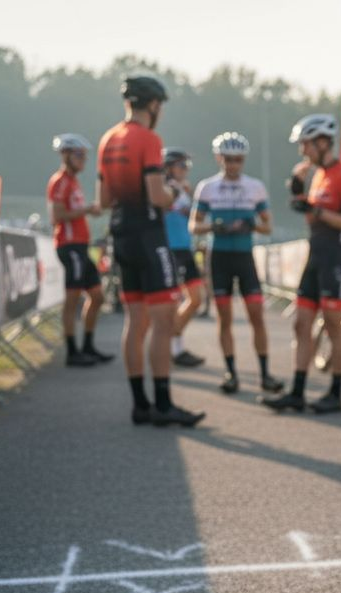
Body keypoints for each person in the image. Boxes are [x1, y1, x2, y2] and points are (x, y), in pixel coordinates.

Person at [97, 75, 205, 427]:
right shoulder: (148, 139)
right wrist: (175, 196)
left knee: (134, 320)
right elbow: (158, 196)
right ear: (154, 105)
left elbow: (103, 201)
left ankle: (140, 404)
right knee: (161, 321)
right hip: (148, 234)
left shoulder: (108, 139)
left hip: (120, 233)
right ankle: (163, 404)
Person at [261, 114, 341, 414]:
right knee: (301, 323)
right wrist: (298, 192)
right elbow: (311, 212)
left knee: (333, 325)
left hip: (336, 257)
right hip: (315, 256)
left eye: (305, 144)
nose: (302, 151)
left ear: (321, 142)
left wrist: (317, 211)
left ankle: (335, 392)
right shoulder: (317, 175)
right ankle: (298, 391)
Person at [189, 132, 284, 395]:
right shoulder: (207, 188)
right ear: (220, 158)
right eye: (229, 159)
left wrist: (252, 223)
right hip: (218, 258)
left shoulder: (255, 187)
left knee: (257, 317)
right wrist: (214, 226)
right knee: (224, 318)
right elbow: (194, 225)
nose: (233, 165)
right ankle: (231, 372)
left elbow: (268, 227)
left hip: (245, 258)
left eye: (238, 160)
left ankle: (265, 374)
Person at [46, 133, 113, 367]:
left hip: (82, 247)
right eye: (78, 155)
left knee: (97, 296)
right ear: (65, 155)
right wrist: (85, 211)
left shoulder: (74, 182)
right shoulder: (60, 181)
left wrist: (89, 210)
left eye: (85, 155)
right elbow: (57, 216)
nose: (83, 159)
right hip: (69, 245)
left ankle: (88, 345)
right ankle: (72, 351)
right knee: (73, 299)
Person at [163, 147, 206, 368]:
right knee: (172, 303)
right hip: (170, 250)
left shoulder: (183, 189)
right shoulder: (164, 189)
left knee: (196, 299)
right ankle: (174, 349)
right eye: (182, 166)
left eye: (187, 166)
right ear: (169, 168)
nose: (185, 170)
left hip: (185, 248)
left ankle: (171, 341)